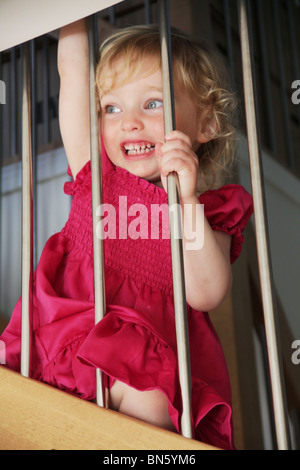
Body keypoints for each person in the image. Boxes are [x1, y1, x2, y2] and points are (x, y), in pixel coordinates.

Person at [0, 19, 253, 449]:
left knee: (153, 400)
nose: (129, 122)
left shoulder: (210, 213)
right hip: (67, 346)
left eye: (152, 104)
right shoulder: (94, 173)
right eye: (111, 108)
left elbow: (206, 293)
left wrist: (186, 200)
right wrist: (74, 14)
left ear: (206, 124)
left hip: (141, 369)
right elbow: (74, 71)